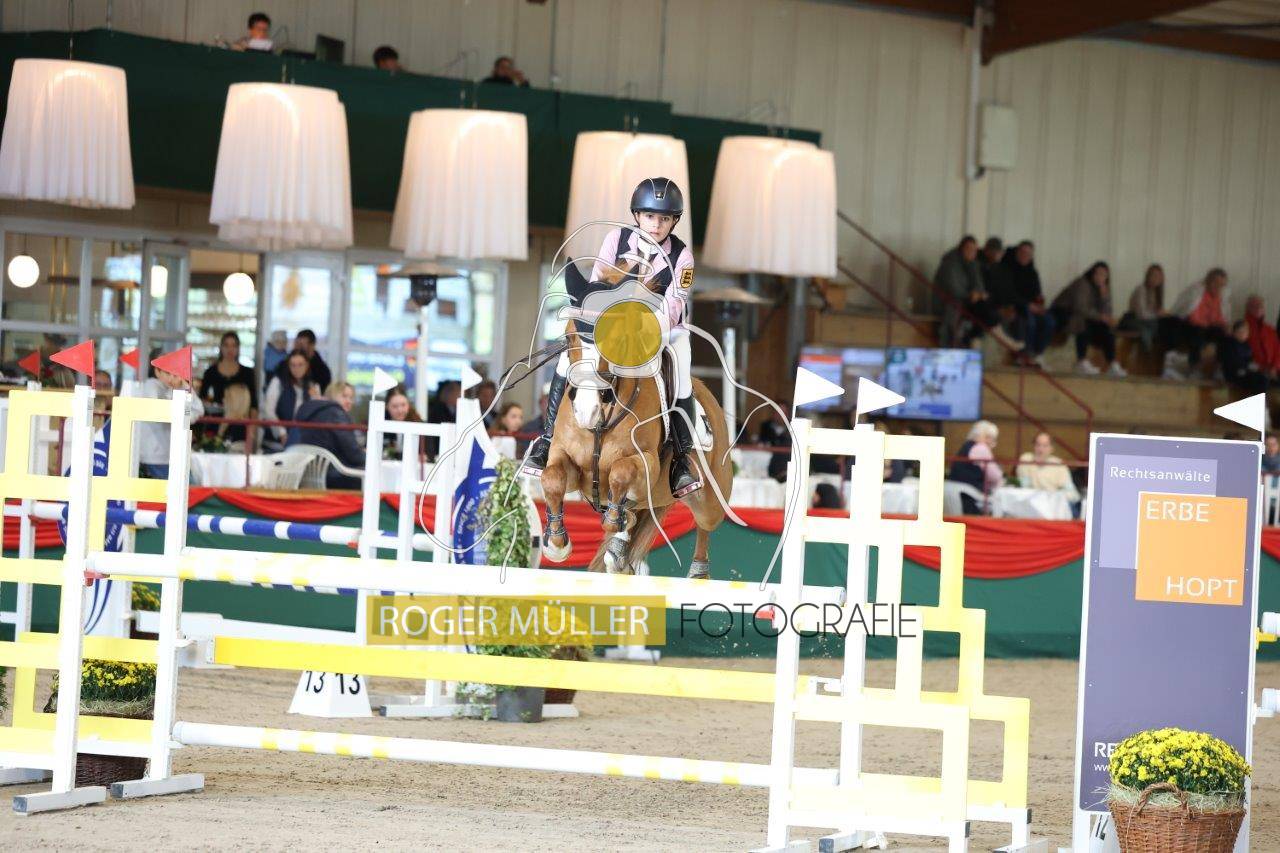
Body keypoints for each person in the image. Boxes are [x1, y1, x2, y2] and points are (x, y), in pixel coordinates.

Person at [522, 177, 703, 499]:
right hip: (611, 324)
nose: (656, 224)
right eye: (650, 216)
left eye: (664, 219)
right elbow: (597, 287)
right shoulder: (616, 239)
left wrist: (642, 328)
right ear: (637, 215)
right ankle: (547, 440)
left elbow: (674, 305)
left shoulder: (683, 258)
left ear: (674, 221)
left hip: (664, 330)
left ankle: (681, 458)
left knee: (682, 371)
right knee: (566, 358)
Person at [1051, 261, 1125, 376]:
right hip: (1064, 315)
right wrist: (1101, 317)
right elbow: (1080, 308)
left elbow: (1107, 313)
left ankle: (1112, 363)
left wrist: (1104, 298)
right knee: (1082, 323)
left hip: (1087, 318)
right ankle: (1081, 362)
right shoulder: (1082, 283)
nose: (1100, 277)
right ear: (1092, 273)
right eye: (1098, 273)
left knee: (1107, 329)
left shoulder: (1103, 288)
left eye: (1104, 275)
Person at [288, 381, 365, 489]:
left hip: (307, 475)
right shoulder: (336, 413)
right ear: (332, 395)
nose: (349, 401)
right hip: (334, 475)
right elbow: (353, 454)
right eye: (344, 396)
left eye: (351, 398)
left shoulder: (311, 411)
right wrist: (373, 459)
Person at [136, 363, 205, 480]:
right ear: (157, 371)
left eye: (176, 374)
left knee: (188, 486)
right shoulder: (150, 385)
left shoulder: (176, 388)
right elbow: (158, 413)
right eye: (168, 373)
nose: (172, 378)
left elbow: (199, 410)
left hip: (172, 455)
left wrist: (184, 385)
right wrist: (184, 415)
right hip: (153, 456)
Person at [200, 332, 258, 442]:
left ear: (238, 348)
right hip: (215, 425)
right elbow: (202, 398)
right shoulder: (210, 372)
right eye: (226, 345)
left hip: (239, 426)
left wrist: (252, 431)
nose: (230, 349)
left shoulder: (247, 373)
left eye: (234, 345)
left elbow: (253, 405)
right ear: (221, 347)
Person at [1003, 241, 1054, 364]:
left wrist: (1039, 304)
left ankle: (1038, 354)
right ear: (1017, 252)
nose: (1025, 256)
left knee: (1050, 321)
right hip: (1016, 306)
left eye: (1028, 253)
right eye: (1022, 252)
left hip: (1032, 307)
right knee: (1030, 322)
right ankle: (1025, 355)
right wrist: (1028, 305)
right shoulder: (1007, 270)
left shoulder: (1032, 272)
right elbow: (1009, 293)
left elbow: (1037, 293)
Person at [1172, 268, 1232, 372]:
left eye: (1222, 285)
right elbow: (1185, 312)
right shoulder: (1196, 292)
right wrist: (1203, 323)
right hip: (1190, 325)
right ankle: (1193, 366)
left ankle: (1221, 368)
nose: (1218, 287)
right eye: (1216, 282)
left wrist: (1226, 326)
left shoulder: (1222, 298)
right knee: (1198, 332)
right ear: (1208, 281)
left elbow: (1223, 318)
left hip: (1209, 327)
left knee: (1226, 335)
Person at [262, 351, 321, 446]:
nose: (296, 369)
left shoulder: (313, 386)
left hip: (303, 442)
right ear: (288, 366)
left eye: (300, 365)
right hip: (275, 443)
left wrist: (315, 397)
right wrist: (281, 433)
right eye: (293, 365)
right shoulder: (278, 382)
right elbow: (269, 411)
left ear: (307, 365)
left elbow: (316, 415)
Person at [1121, 264, 1179, 355]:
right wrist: (1158, 314)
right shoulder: (1141, 289)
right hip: (1134, 319)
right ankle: (1158, 354)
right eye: (1154, 275)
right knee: (1161, 326)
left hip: (1148, 320)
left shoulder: (1156, 291)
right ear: (1148, 276)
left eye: (1159, 276)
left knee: (1172, 322)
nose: (1157, 279)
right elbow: (1142, 314)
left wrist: (1163, 313)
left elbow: (1155, 312)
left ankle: (1170, 353)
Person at [947, 420, 1002, 515]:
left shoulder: (966, 446)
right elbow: (995, 476)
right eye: (992, 438)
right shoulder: (981, 448)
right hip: (969, 497)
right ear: (986, 437)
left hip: (956, 494)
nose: (993, 443)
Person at [1219, 320, 1268, 394]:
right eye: (1240, 332)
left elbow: (1249, 359)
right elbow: (1232, 363)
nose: (1242, 334)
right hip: (1234, 374)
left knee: (1263, 379)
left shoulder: (1246, 345)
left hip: (1246, 371)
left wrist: (1253, 366)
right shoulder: (1229, 344)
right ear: (1234, 333)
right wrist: (1247, 366)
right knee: (1256, 380)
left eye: (1244, 332)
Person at [382, 384, 423, 459]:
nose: (400, 410)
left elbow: (428, 454)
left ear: (408, 404)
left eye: (403, 405)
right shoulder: (380, 423)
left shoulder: (419, 423)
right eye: (395, 406)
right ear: (386, 407)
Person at [1244, 295, 1280, 377]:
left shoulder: (1270, 330)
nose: (1258, 308)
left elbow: (1278, 350)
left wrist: (1275, 367)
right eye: (1254, 306)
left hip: (1274, 370)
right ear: (1247, 309)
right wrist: (1261, 368)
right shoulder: (1242, 330)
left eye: (1260, 306)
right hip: (1254, 372)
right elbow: (1241, 356)